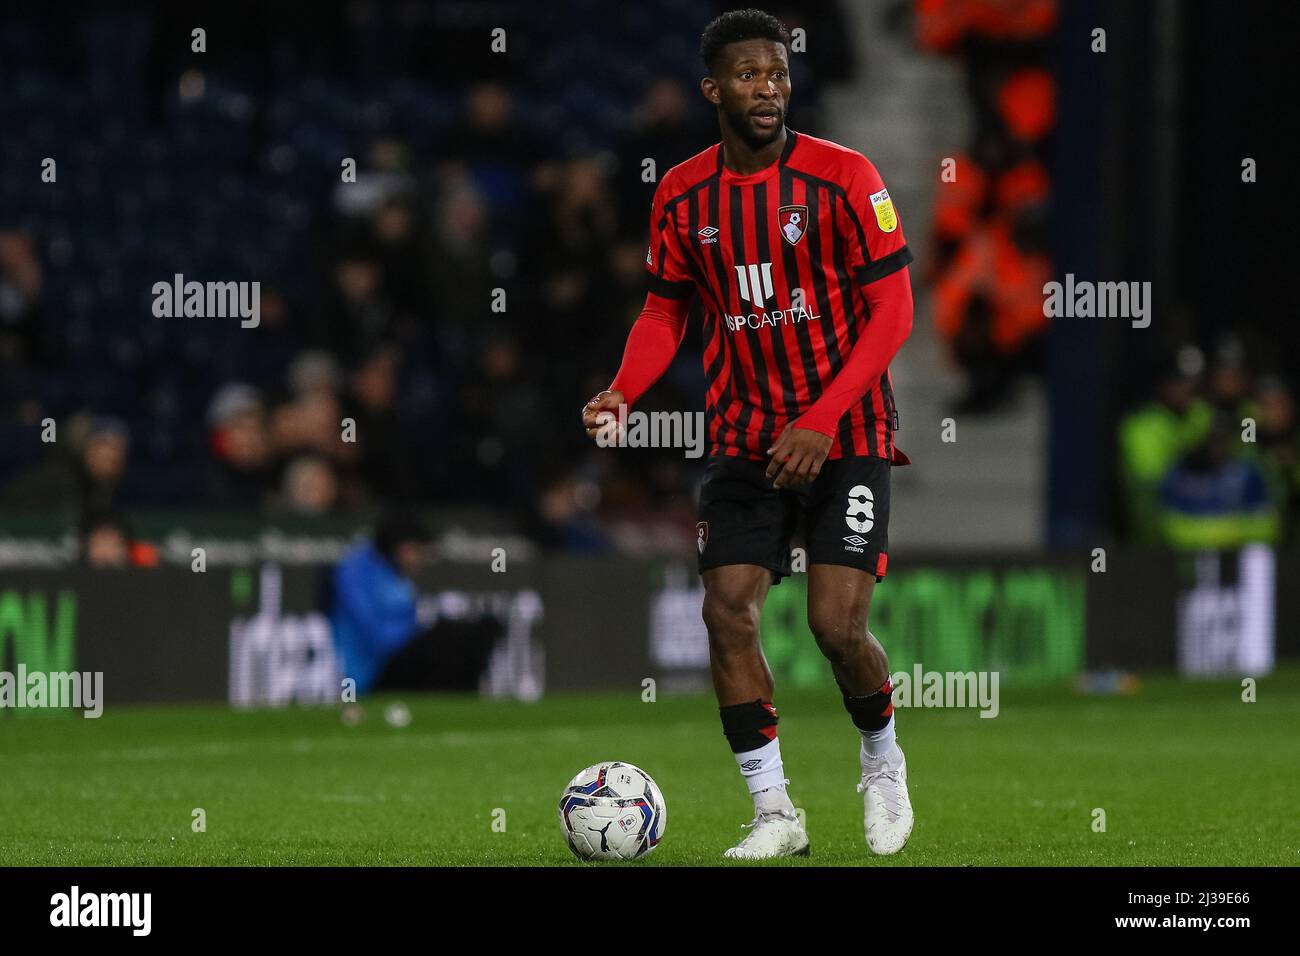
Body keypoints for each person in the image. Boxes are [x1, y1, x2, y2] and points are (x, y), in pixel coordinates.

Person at [581, 9, 915, 860]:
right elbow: (663, 308)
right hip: (742, 436)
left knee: (837, 628)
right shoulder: (684, 193)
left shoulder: (845, 178)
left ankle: (881, 759)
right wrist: (624, 389)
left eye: (776, 74)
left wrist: (822, 417)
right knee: (727, 612)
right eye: (748, 76)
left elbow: (893, 309)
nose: (767, 89)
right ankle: (776, 813)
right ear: (714, 89)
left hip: (846, 431)